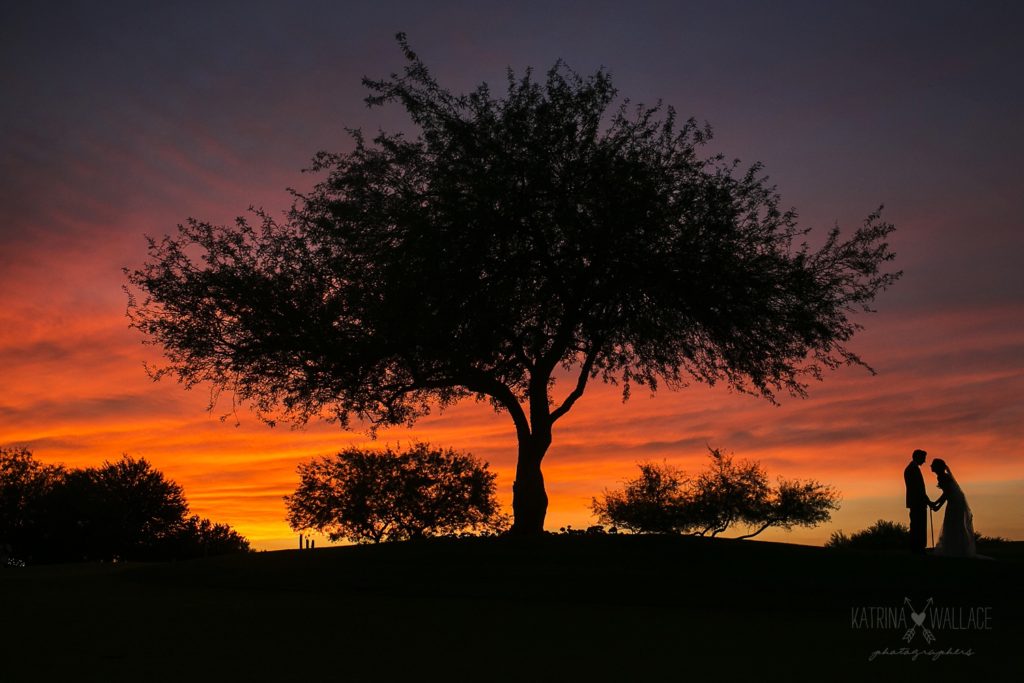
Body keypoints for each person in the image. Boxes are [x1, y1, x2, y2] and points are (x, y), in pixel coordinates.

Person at [930, 458, 977, 557]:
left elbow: (946, 494)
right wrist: (936, 503)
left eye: (933, 465)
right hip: (955, 501)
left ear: (937, 467)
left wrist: (937, 505)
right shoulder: (943, 476)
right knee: (954, 523)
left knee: (952, 522)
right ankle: (956, 548)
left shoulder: (942, 477)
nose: (931, 466)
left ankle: (954, 549)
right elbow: (946, 493)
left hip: (954, 502)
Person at [903, 449, 932, 554]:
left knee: (917, 525)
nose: (924, 461)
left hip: (917, 502)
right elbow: (918, 489)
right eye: (923, 458)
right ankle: (917, 547)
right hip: (917, 503)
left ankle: (918, 547)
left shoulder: (912, 469)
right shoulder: (912, 469)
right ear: (918, 457)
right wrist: (928, 502)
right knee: (917, 525)